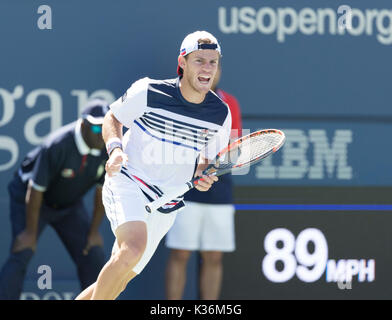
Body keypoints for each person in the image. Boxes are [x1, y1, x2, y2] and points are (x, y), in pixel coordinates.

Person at [75, 30, 232, 300]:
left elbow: (203, 162)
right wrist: (114, 150)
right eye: (199, 61)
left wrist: (203, 176)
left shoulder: (220, 114)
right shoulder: (148, 90)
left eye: (212, 62)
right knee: (131, 250)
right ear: (182, 62)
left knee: (120, 278)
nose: (207, 68)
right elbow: (113, 117)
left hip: (167, 203)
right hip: (129, 181)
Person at [0, 99, 109, 300]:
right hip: (32, 199)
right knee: (23, 251)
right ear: (83, 124)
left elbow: (101, 192)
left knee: (93, 254)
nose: (101, 132)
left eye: (106, 126)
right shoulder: (57, 144)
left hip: (69, 205)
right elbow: (35, 189)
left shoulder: (107, 146)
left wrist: (93, 232)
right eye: (96, 126)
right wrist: (30, 232)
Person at [165, 62, 242, 300]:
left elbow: (234, 149)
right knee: (180, 254)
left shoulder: (230, 103)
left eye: (216, 66)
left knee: (214, 256)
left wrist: (216, 164)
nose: (210, 71)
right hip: (184, 189)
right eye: (203, 64)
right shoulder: (179, 101)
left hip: (219, 191)